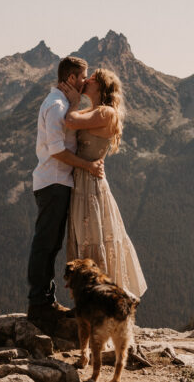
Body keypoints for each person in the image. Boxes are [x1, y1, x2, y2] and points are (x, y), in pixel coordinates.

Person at [27, 56, 104, 324]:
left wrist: (75, 104)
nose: (86, 81)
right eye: (83, 76)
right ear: (71, 78)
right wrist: (88, 166)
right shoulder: (56, 105)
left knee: (51, 244)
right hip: (53, 182)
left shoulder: (63, 104)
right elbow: (57, 150)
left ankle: (45, 299)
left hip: (58, 182)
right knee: (45, 244)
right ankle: (39, 302)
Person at [61, 68, 147, 299]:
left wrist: (74, 101)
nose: (87, 80)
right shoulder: (96, 110)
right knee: (86, 238)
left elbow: (70, 120)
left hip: (90, 184)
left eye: (92, 79)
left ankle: (103, 299)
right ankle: (91, 300)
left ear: (101, 87)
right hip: (83, 180)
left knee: (93, 239)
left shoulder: (106, 112)